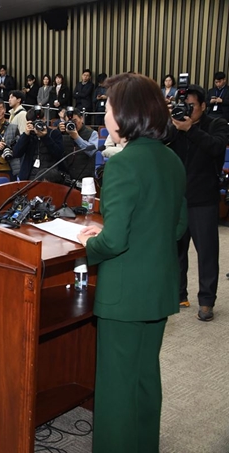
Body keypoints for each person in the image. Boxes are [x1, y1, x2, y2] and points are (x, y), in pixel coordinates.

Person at [76, 73, 187, 453]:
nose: (104, 113)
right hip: (158, 289)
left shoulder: (124, 164)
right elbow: (178, 226)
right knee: (144, 377)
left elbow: (115, 239)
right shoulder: (171, 159)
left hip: (124, 296)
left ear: (125, 114)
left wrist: (87, 246)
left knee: (116, 387)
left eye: (107, 107)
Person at [168, 84, 229, 321]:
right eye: (183, 105)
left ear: (203, 106)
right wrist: (171, 122)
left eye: (191, 106)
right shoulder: (174, 125)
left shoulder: (217, 124)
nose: (187, 109)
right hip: (177, 199)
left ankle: (206, 301)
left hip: (203, 199)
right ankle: (178, 293)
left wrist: (190, 128)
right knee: (176, 252)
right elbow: (160, 143)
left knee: (206, 253)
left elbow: (215, 148)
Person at [11, 106, 64, 182]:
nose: (37, 125)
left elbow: (59, 154)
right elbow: (16, 153)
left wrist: (45, 137)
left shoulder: (54, 133)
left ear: (44, 119)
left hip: (50, 177)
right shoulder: (28, 136)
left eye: (40, 121)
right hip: (30, 177)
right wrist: (26, 135)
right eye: (34, 122)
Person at [57, 109, 99, 181]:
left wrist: (76, 137)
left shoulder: (92, 133)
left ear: (81, 119)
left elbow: (92, 152)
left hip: (85, 178)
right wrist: (58, 132)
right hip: (66, 177)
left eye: (75, 121)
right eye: (69, 121)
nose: (73, 124)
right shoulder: (63, 133)